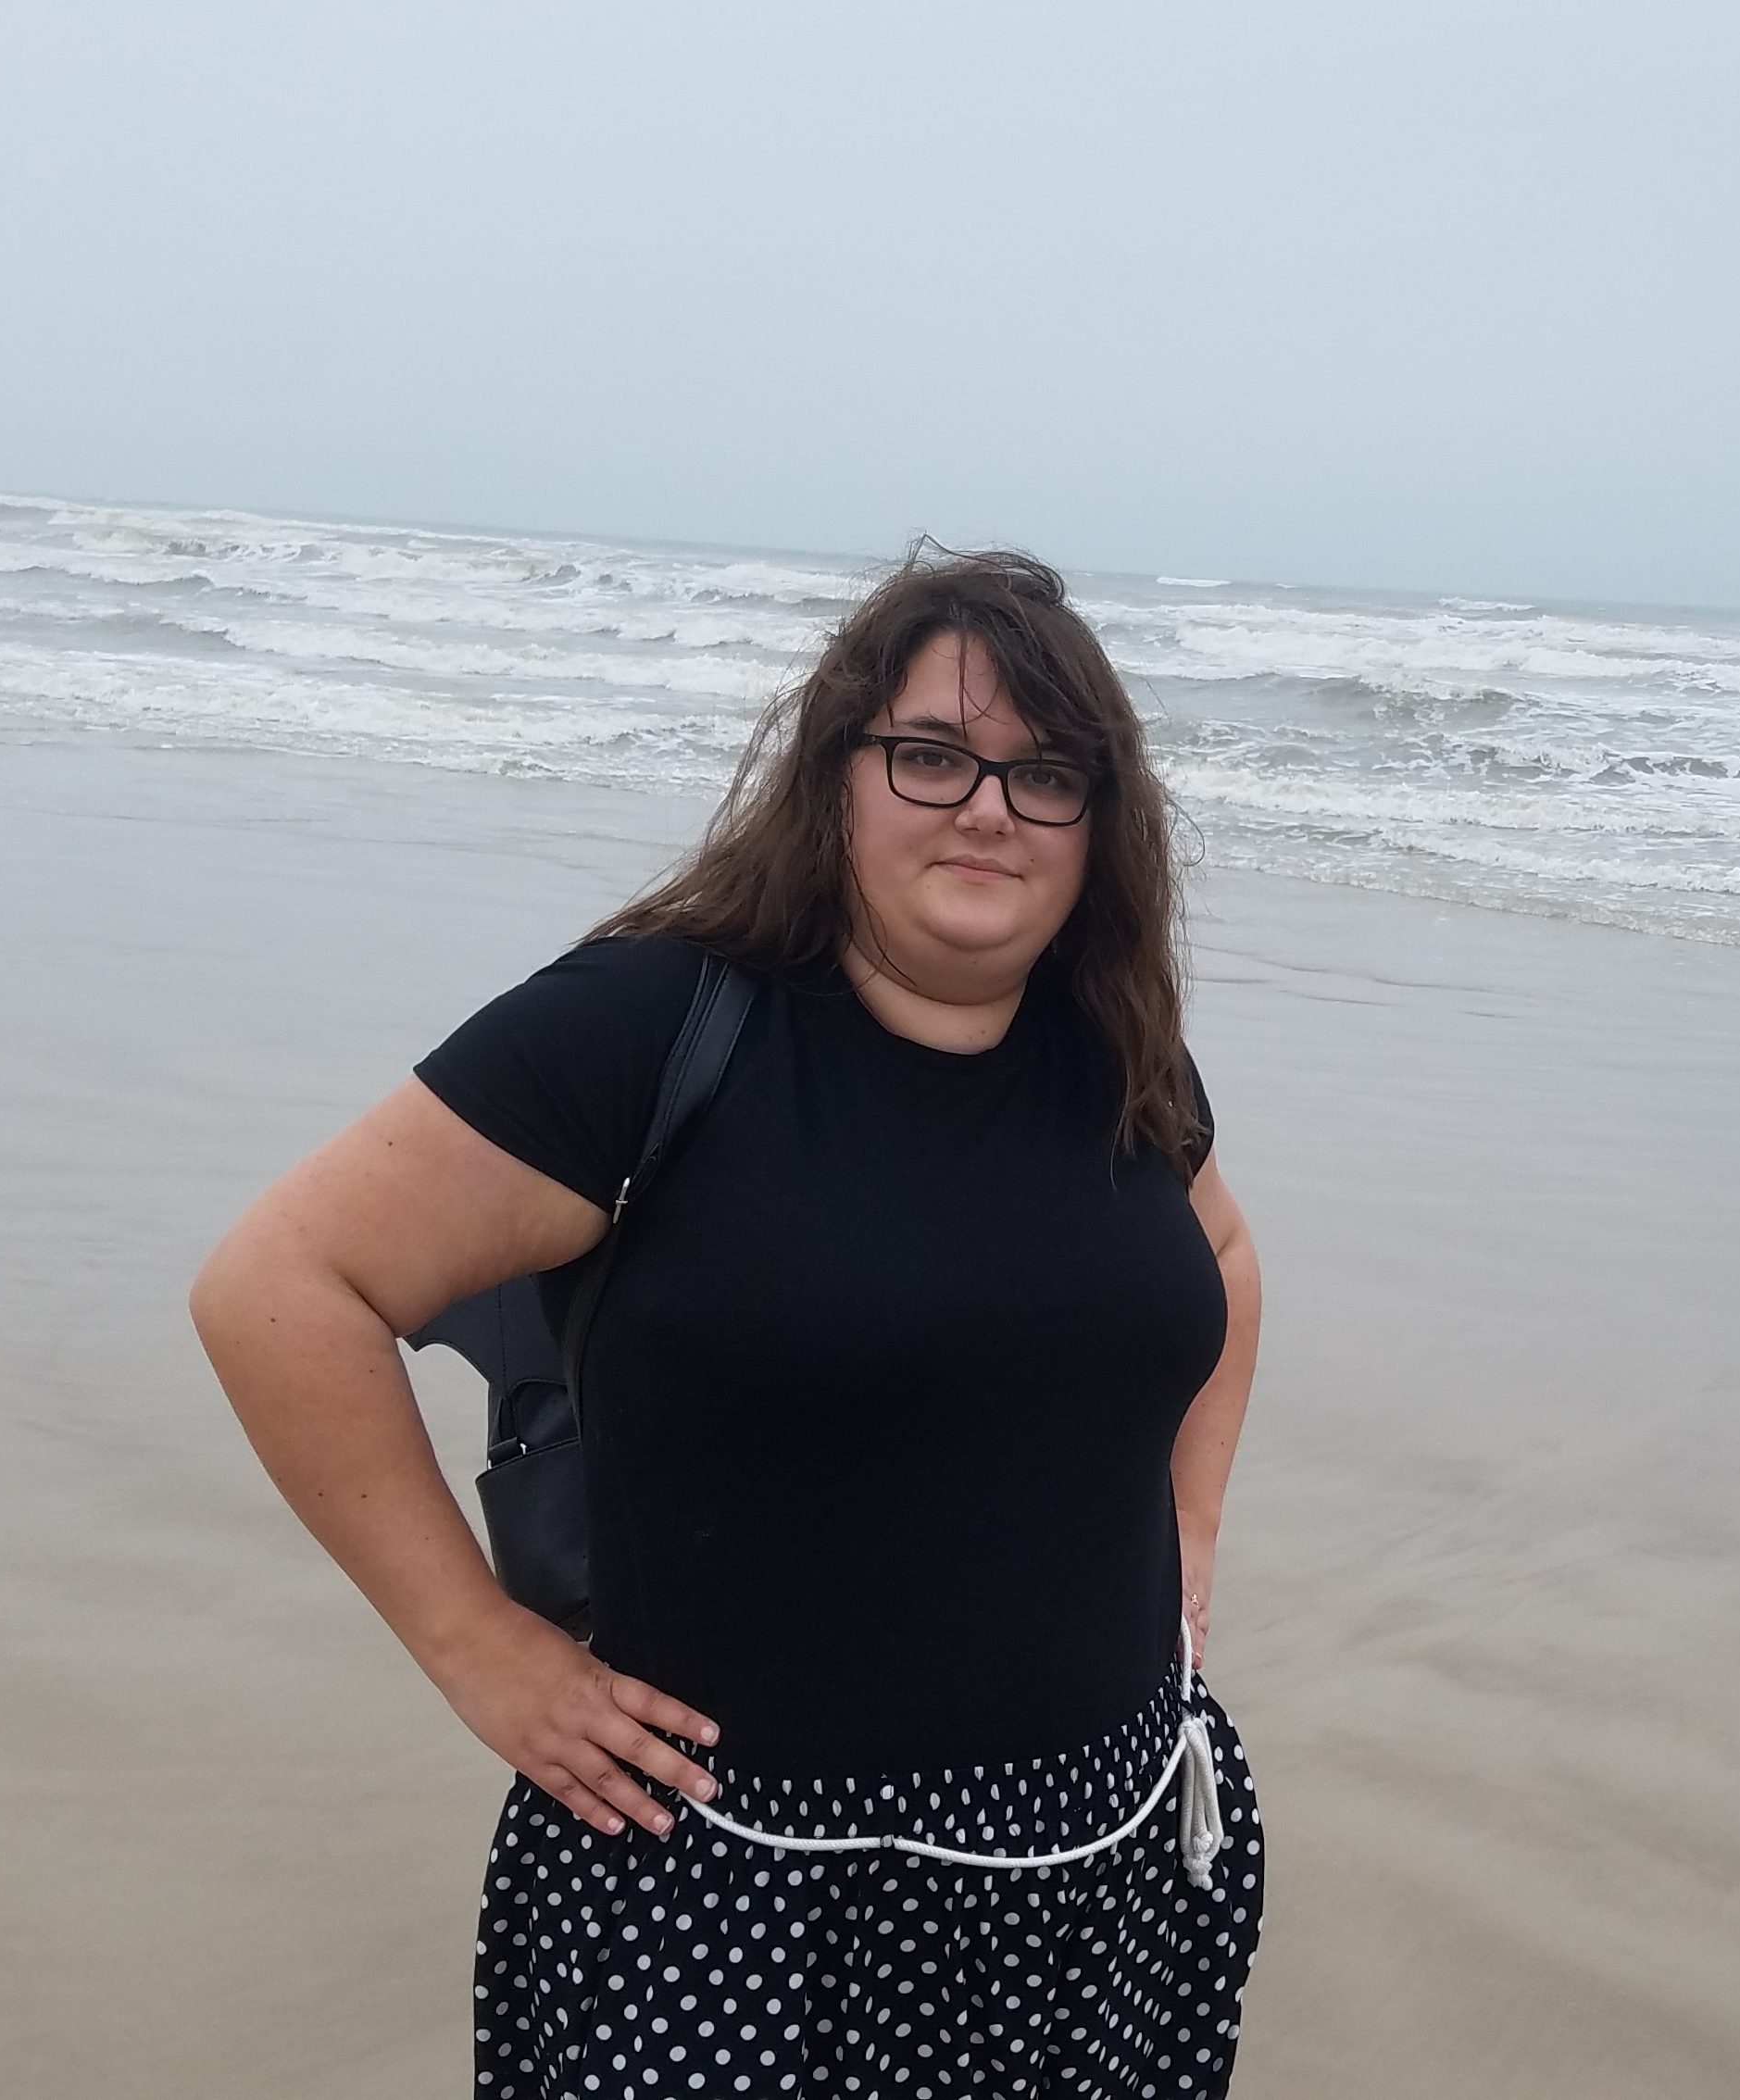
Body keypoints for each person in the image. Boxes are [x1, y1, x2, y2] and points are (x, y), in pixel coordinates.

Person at [190, 546, 1267, 2098]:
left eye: (1047, 776)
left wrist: (1191, 1527)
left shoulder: (1113, 1047)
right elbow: (281, 1285)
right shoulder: (650, 1028)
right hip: (735, 1910)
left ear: (1103, 824)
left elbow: (1220, 1256)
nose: (988, 809)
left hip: (1106, 1879)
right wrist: (476, 1648)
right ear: (837, 774)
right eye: (932, 754)